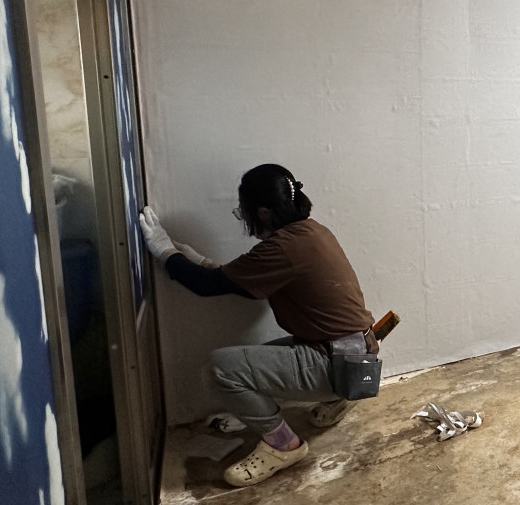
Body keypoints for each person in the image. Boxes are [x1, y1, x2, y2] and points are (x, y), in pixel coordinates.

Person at [138, 163, 378, 487]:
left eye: (244, 212)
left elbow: (206, 286)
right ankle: (334, 398)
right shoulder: (311, 233)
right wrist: (198, 261)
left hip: (336, 363)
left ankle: (284, 445)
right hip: (353, 352)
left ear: (263, 213)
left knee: (221, 370)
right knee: (249, 365)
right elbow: (242, 283)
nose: (245, 220)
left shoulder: (284, 248)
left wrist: (163, 249)